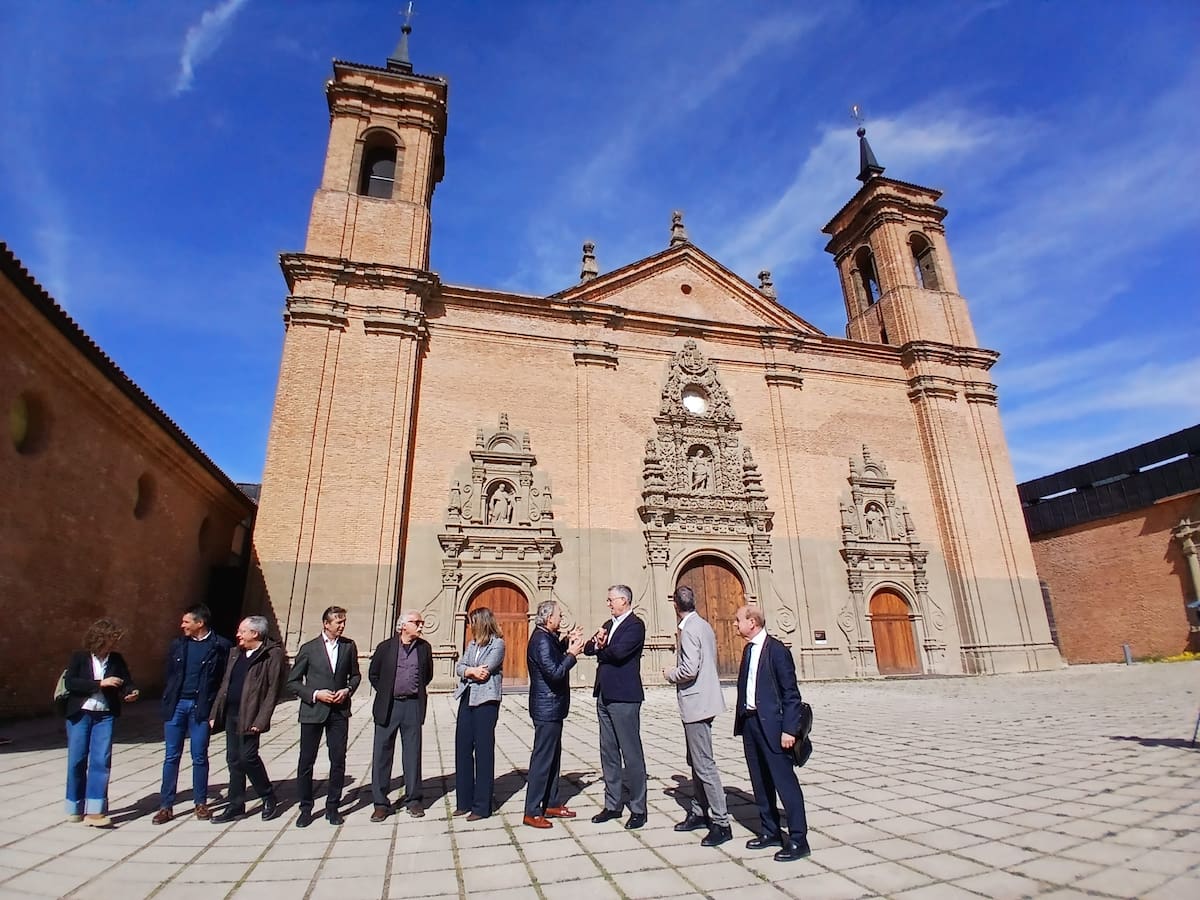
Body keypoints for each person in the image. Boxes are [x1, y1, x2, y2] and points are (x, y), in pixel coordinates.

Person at [734, 605, 811, 861]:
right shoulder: (748, 650)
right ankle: (770, 831)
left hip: (776, 728)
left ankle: (799, 839)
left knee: (784, 782)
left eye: (738, 621)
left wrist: (789, 729)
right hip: (751, 724)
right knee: (760, 781)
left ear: (752, 622)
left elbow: (791, 693)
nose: (735, 625)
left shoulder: (777, 651)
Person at [662, 585, 731, 847]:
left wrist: (670, 673)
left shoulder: (689, 629)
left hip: (697, 703)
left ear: (675, 605)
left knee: (703, 764)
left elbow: (689, 669)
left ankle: (721, 823)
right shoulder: (703, 625)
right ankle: (699, 811)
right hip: (706, 700)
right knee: (695, 760)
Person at [154, 604, 232, 824]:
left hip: (201, 708)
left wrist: (216, 711)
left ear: (200, 623)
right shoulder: (178, 645)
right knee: (171, 756)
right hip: (177, 706)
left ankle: (200, 803)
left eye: (186, 622)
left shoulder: (220, 646)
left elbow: (224, 680)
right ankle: (166, 806)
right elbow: (169, 674)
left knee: (199, 755)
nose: (182, 626)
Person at [286, 606, 361, 827]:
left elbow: (355, 675)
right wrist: (316, 694)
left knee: (337, 760)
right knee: (306, 761)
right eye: (338, 622)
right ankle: (306, 808)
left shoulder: (348, 646)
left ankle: (333, 806)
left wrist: (347, 690)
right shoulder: (309, 649)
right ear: (326, 624)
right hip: (313, 711)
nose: (342, 626)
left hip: (339, 712)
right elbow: (293, 682)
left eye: (344, 622)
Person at [209, 616, 285, 823]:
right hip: (231, 713)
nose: (238, 635)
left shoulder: (272, 655)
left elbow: (272, 690)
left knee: (248, 757)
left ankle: (268, 796)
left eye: (242, 631)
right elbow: (225, 684)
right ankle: (236, 805)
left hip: (250, 715)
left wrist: (261, 719)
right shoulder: (235, 654)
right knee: (233, 760)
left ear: (255, 633)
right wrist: (215, 713)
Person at [63, 618, 139, 826]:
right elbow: (71, 682)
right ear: (100, 638)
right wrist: (100, 683)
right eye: (111, 639)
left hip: (104, 715)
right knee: (77, 760)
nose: (114, 644)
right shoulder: (79, 657)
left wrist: (131, 691)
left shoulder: (116, 659)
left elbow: (126, 680)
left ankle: (95, 811)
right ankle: (74, 806)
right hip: (81, 713)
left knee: (101, 760)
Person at [584, 584, 648, 829]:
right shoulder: (608, 625)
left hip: (624, 697)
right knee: (608, 752)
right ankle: (612, 804)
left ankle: (638, 807)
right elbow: (590, 648)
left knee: (631, 754)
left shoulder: (635, 625)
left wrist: (601, 647)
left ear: (624, 600)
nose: (608, 603)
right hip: (604, 695)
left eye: (611, 600)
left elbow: (619, 654)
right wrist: (598, 644)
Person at [523, 600, 586, 828]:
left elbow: (553, 653)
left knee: (553, 759)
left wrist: (566, 641)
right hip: (546, 708)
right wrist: (572, 654)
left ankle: (551, 803)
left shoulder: (546, 637)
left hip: (552, 707)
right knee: (542, 760)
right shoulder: (540, 640)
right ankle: (532, 810)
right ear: (549, 618)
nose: (561, 618)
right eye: (559, 615)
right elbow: (555, 672)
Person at [368, 610, 434, 821]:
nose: (421, 626)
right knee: (382, 753)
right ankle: (380, 803)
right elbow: (374, 674)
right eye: (417, 622)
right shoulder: (385, 648)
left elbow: (428, 675)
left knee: (413, 753)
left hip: (413, 705)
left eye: (421, 622)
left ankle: (413, 800)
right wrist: (388, 691)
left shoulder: (424, 649)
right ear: (403, 626)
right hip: (389, 705)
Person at [453, 607, 506, 820]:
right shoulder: (471, 644)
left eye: (472, 621)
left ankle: (482, 806)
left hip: (486, 701)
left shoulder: (498, 644)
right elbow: (459, 667)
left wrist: (469, 670)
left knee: (483, 752)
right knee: (462, 747)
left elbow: (487, 670)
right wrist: (470, 671)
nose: (469, 625)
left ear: (481, 623)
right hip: (467, 698)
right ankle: (463, 801)